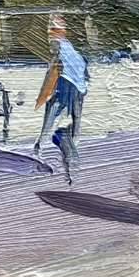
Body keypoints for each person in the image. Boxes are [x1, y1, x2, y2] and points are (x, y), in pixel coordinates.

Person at [33, 15, 89, 184]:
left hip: (66, 87)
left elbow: (53, 73)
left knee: (54, 122)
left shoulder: (59, 47)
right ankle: (70, 159)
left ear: (61, 32)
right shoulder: (73, 51)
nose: (49, 34)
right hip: (78, 90)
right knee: (70, 124)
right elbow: (84, 73)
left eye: (53, 30)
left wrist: (42, 98)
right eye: (50, 30)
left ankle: (42, 150)